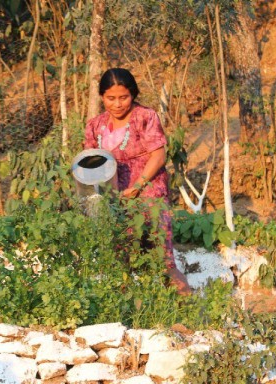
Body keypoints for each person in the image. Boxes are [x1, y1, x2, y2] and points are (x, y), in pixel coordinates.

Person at [84, 68, 191, 295]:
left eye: (123, 97)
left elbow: (158, 155)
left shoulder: (146, 117)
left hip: (148, 194)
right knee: (120, 261)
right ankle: (130, 319)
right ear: (102, 96)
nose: (117, 104)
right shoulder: (95, 125)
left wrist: (137, 186)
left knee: (164, 261)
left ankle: (195, 319)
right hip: (115, 201)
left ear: (132, 94)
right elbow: (90, 164)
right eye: (111, 98)